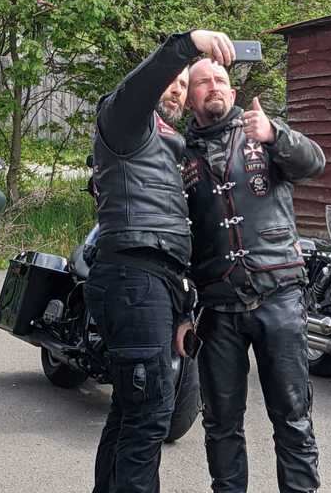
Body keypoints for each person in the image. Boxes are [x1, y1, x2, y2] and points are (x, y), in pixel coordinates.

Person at [84, 32, 235, 493]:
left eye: (184, 84)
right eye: (172, 80)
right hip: (134, 275)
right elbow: (145, 80)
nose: (177, 88)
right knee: (150, 413)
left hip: (156, 282)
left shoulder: (170, 142)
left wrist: (184, 311)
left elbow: (176, 229)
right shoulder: (125, 119)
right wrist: (188, 43)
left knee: (130, 409)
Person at [178, 58, 324, 493]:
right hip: (216, 305)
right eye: (203, 82)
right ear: (189, 98)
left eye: (220, 80)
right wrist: (183, 311)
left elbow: (314, 162)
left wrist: (276, 135)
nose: (213, 87)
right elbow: (174, 236)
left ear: (233, 92)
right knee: (220, 421)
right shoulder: (179, 152)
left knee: (293, 415)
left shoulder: (263, 131)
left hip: (279, 295)